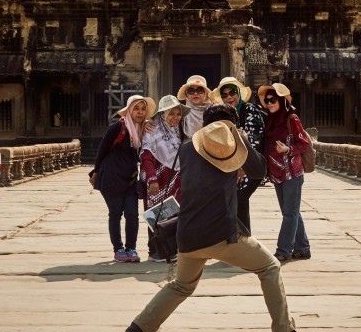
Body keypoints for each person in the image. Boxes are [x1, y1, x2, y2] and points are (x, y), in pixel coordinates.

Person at [125, 104, 297, 332]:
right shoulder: (232, 142)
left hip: (187, 233)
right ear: (231, 127)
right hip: (220, 233)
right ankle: (285, 329)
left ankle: (138, 328)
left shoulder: (186, 148)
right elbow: (258, 170)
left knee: (181, 286)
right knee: (270, 267)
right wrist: (242, 139)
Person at [92, 94, 156, 263]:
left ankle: (131, 248)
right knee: (115, 214)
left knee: (132, 214)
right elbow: (102, 150)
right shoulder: (118, 128)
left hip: (129, 179)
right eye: (136, 109)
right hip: (111, 177)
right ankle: (118, 249)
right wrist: (95, 172)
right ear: (128, 110)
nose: (140, 112)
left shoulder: (142, 130)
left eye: (143, 109)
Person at [258, 82, 311, 262]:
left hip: (292, 172)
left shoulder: (291, 119)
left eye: (273, 99)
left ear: (282, 101)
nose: (270, 103)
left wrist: (288, 150)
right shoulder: (270, 120)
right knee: (291, 212)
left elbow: (304, 143)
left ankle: (284, 250)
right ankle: (303, 248)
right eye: (267, 100)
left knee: (290, 213)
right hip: (276, 172)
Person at [211, 75, 266, 232]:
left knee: (240, 200)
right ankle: (239, 239)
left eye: (232, 93)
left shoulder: (250, 111)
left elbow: (254, 143)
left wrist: (242, 168)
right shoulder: (227, 114)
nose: (229, 97)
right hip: (234, 167)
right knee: (236, 202)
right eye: (224, 95)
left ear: (239, 94)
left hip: (251, 166)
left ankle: (244, 239)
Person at [140, 94, 190, 262]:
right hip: (158, 178)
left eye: (177, 113)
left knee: (174, 214)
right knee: (156, 214)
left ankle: (171, 249)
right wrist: (152, 179)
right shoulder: (152, 131)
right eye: (171, 114)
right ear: (163, 114)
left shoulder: (180, 129)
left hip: (176, 177)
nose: (175, 117)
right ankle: (155, 251)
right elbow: (146, 155)